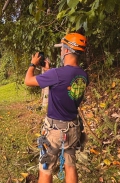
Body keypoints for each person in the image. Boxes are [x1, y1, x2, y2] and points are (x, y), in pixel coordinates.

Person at [24, 33, 89, 183]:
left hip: (54, 131)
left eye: (61, 49)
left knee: (46, 169)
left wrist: (33, 64)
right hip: (73, 128)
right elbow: (64, 85)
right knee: (70, 166)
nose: (61, 52)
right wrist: (49, 71)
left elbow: (28, 81)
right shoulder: (83, 75)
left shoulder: (57, 74)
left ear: (66, 50)